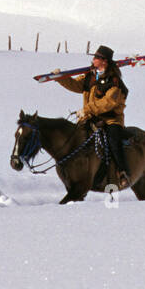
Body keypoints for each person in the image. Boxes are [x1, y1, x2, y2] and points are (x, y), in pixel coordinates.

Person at [53, 45, 132, 189]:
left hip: (110, 119)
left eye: (96, 58)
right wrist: (62, 78)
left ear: (104, 61)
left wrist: (86, 109)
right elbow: (76, 85)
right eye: (94, 57)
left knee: (113, 140)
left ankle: (122, 171)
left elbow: (109, 102)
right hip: (90, 118)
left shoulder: (114, 81)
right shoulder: (90, 76)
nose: (93, 60)